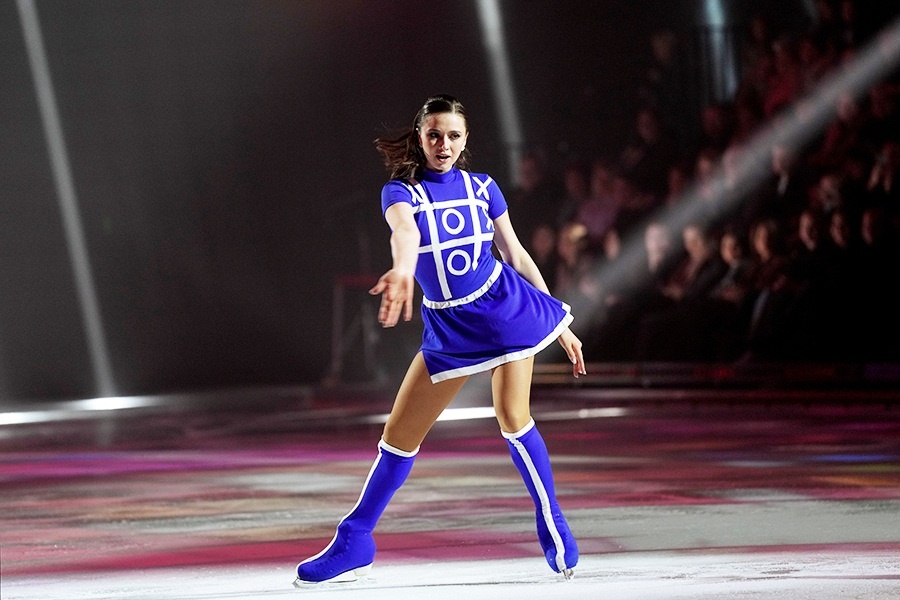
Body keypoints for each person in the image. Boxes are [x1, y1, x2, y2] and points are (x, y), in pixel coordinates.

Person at [294, 94, 586, 585]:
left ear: (465, 139)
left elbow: (516, 255)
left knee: (513, 418)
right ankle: (355, 540)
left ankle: (552, 521)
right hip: (449, 326)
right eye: (434, 135)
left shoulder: (484, 187)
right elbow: (404, 235)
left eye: (453, 136)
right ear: (420, 137)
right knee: (398, 436)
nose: (443, 144)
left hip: (505, 311)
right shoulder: (400, 192)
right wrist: (401, 270)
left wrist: (559, 322)